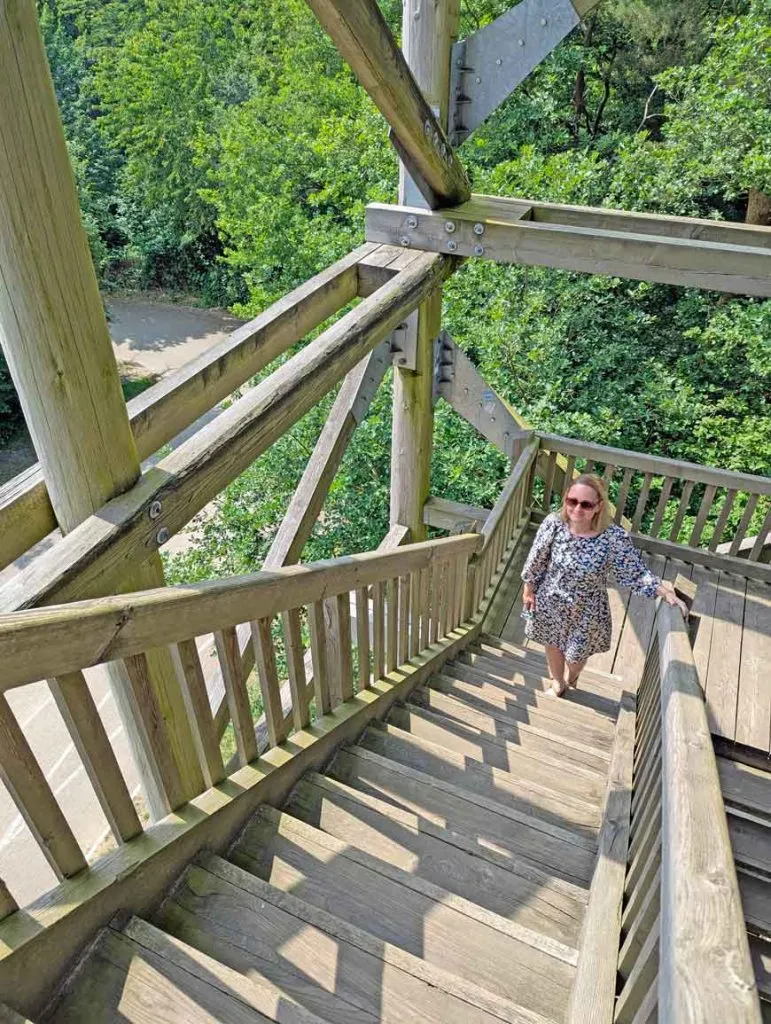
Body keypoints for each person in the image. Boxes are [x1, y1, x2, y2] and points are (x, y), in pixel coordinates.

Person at [521, 473, 688, 697]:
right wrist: (529, 589)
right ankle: (558, 683)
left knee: (575, 656)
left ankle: (572, 676)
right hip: (551, 598)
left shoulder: (613, 537)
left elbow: (634, 571)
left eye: (586, 504)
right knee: (552, 643)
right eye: (572, 501)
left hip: (587, 608)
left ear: (599, 506)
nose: (577, 508)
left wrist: (663, 591)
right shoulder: (554, 524)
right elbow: (537, 558)